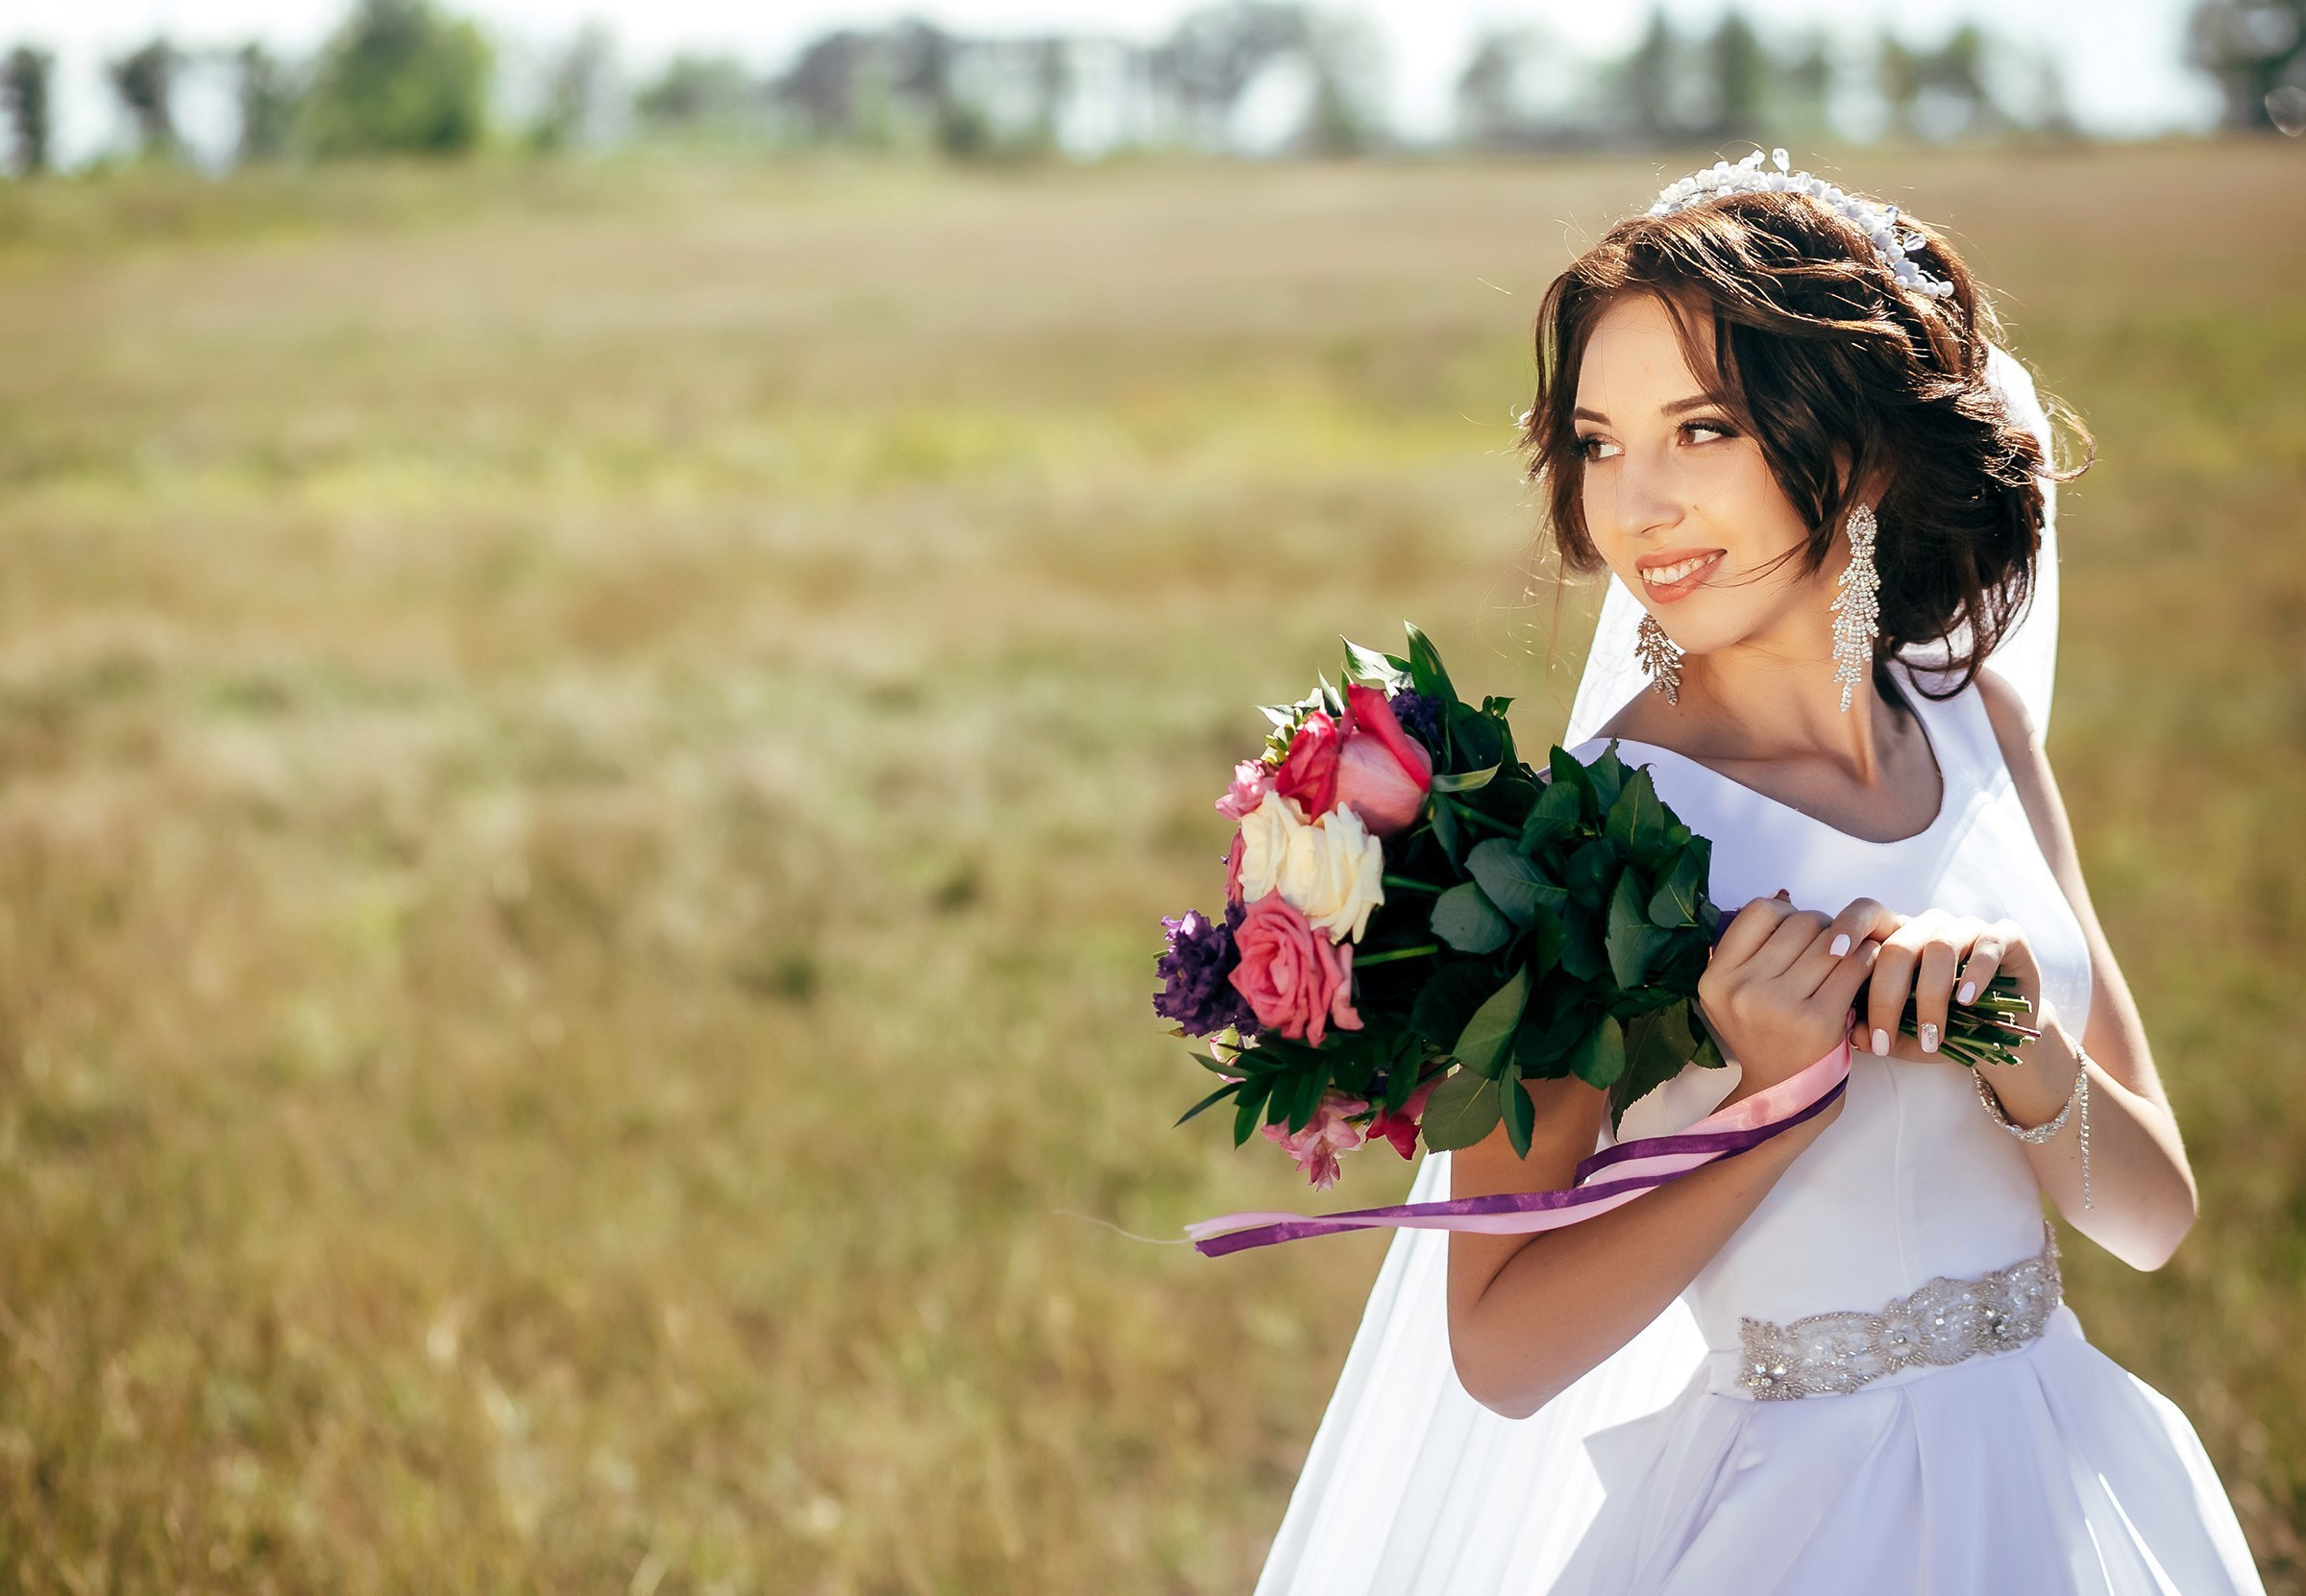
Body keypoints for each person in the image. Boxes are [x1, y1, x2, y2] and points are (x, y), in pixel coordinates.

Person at [1247, 154, 2266, 1595]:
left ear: (1852, 443)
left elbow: (2152, 1221)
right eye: (1599, 443)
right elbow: (1503, 1348)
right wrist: (1772, 1105)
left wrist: (2021, 1047)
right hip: (1795, 1526)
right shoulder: (1594, 833)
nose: (1638, 505)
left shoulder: (1978, 720)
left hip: (2063, 1472)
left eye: (1700, 429)